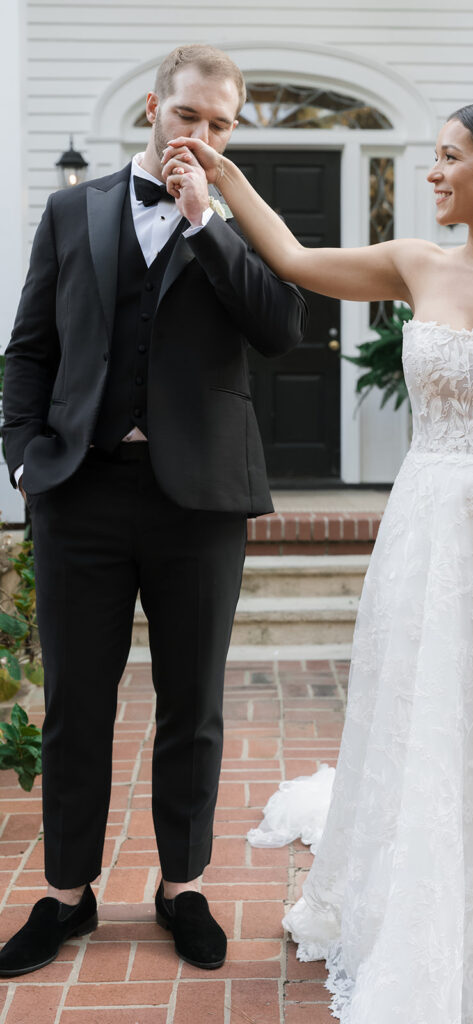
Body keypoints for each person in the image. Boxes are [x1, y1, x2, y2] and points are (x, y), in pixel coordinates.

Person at [162, 101, 473, 1021]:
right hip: (428, 528)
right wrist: (225, 177)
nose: (432, 172)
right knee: (427, 702)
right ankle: (416, 887)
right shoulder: (416, 264)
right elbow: (292, 261)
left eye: (449, 157)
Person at [0, 44, 307, 977]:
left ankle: (181, 886)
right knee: (76, 706)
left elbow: (280, 329)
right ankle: (66, 895)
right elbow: (30, 348)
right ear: (152, 108)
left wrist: (206, 218)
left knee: (193, 703)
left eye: (221, 124)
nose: (203, 136)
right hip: (79, 493)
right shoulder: (70, 209)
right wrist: (22, 457)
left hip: (200, 500)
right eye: (189, 118)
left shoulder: (241, 215)